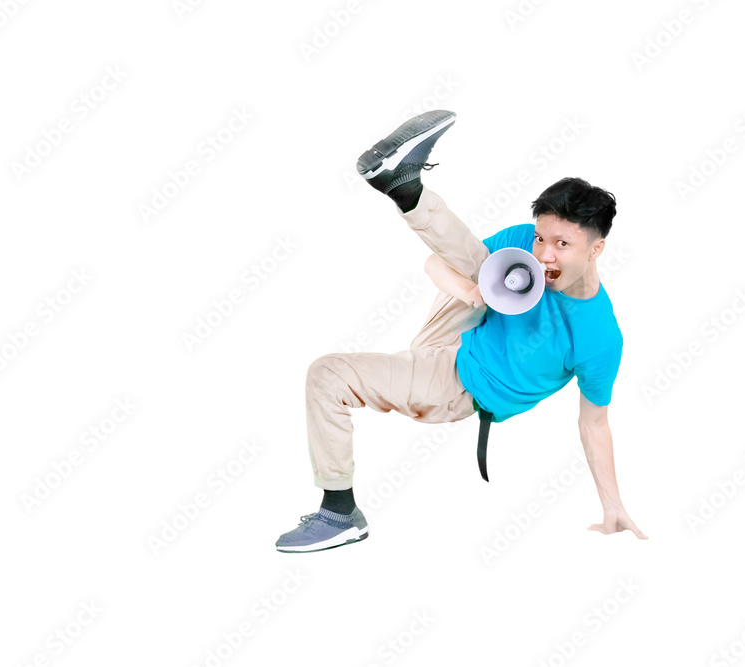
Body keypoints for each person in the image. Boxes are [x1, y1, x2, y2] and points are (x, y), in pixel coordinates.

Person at [275, 110, 647, 552]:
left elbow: (595, 423)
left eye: (562, 244)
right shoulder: (524, 243)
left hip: (459, 382)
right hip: (459, 326)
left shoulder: (599, 338)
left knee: (327, 373)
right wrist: (471, 290)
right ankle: (404, 184)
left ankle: (339, 514)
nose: (544, 254)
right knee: (485, 265)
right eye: (541, 238)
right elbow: (437, 261)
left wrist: (613, 506)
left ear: (597, 248)